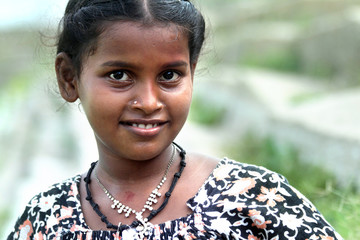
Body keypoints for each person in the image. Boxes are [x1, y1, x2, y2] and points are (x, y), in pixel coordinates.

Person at [7, 0, 343, 239]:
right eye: (120, 75)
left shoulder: (255, 199)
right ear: (70, 79)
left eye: (169, 75)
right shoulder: (46, 219)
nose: (149, 102)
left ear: (191, 74)